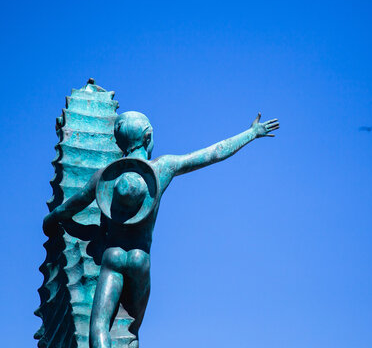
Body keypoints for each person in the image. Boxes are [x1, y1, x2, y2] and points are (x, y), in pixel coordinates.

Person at [43, 111, 279, 348]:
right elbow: (211, 154)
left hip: (112, 257)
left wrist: (49, 220)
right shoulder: (161, 168)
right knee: (131, 329)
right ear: (147, 138)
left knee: (99, 327)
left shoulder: (104, 178)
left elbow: (68, 209)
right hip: (140, 259)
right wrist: (251, 133)